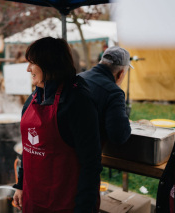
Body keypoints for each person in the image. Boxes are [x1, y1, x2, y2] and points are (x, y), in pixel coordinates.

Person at [12, 37, 102, 212]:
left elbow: (91, 164)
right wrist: (20, 185)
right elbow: (27, 148)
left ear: (49, 64)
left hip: (64, 203)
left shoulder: (78, 101)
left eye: (32, 63)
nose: (27, 68)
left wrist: (84, 208)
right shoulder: (33, 98)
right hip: (33, 199)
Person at [79, 46, 132, 147]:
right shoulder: (114, 92)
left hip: (62, 153)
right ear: (121, 74)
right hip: (87, 156)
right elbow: (119, 136)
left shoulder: (78, 77)